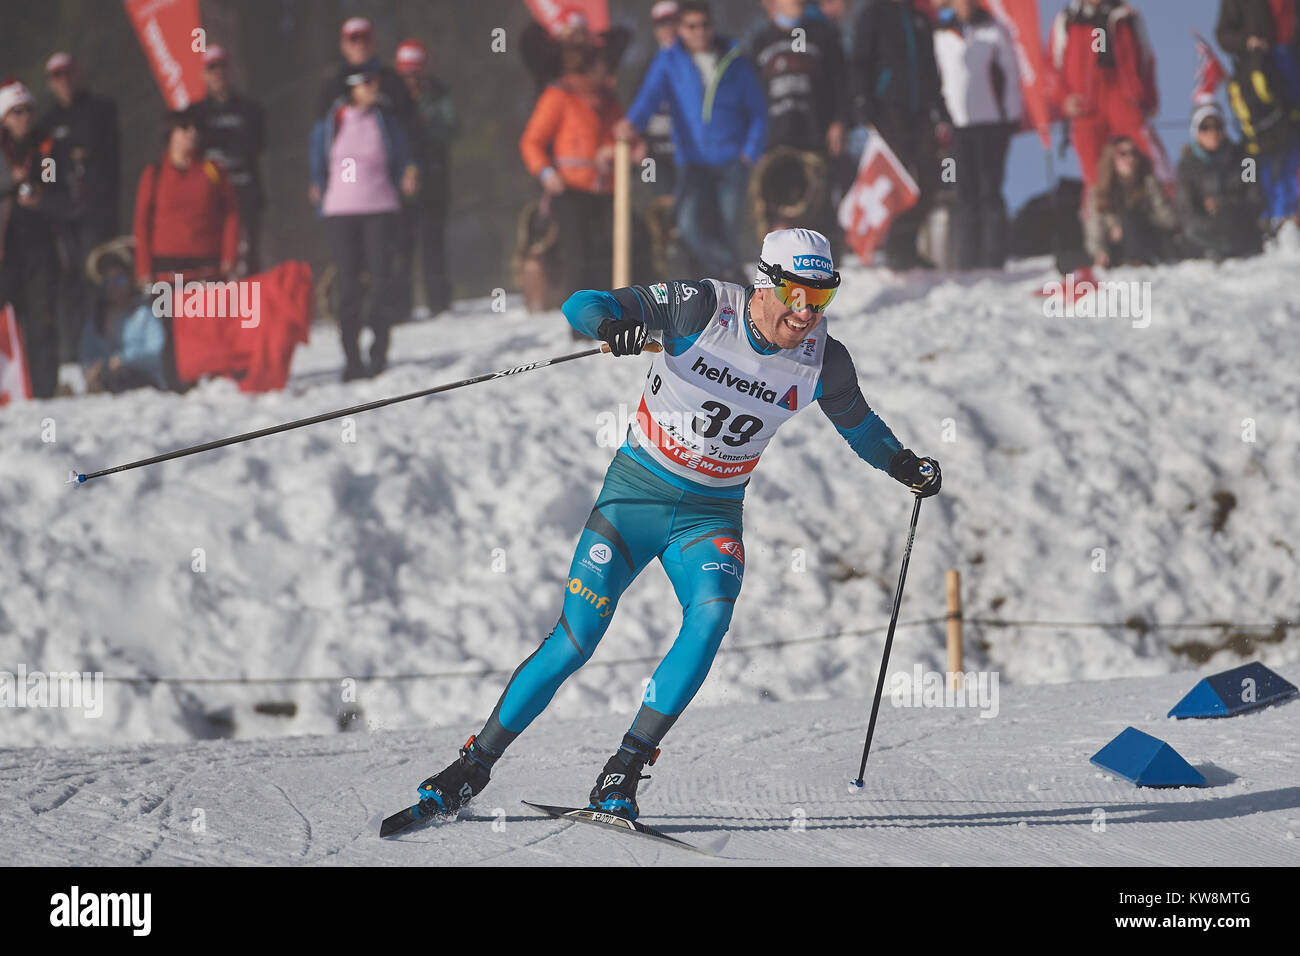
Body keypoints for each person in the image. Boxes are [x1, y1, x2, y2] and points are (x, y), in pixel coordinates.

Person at [406, 228, 942, 822]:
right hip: (635, 496)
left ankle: (623, 770)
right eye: (794, 292)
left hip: (710, 515)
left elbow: (860, 426)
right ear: (765, 280)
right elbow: (583, 303)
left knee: (711, 615)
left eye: (821, 298)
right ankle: (471, 767)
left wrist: (903, 464)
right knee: (576, 640)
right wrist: (612, 325)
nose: (804, 311)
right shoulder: (703, 306)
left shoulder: (826, 361)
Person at [618, 1, 768, 284]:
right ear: (680, 29)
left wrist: (751, 150)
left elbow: (758, 110)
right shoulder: (669, 61)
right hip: (691, 161)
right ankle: (736, 275)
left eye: (705, 25)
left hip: (732, 160)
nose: (699, 32)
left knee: (726, 229)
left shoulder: (734, 59)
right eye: (691, 26)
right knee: (688, 224)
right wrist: (631, 125)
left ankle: (724, 294)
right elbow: (649, 98)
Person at [310, 61, 417, 381]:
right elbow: (318, 157)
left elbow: (402, 154)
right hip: (341, 211)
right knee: (347, 287)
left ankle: (379, 351)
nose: (374, 88)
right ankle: (351, 358)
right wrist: (316, 182)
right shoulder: (333, 120)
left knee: (382, 282)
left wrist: (409, 171)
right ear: (352, 87)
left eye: (376, 82)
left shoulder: (385, 120)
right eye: (367, 82)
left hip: (380, 207)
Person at [850, 0, 953, 269]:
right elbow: (860, 61)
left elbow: (931, 68)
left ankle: (908, 244)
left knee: (927, 177)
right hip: (888, 110)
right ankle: (893, 248)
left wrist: (941, 110)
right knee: (898, 179)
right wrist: (864, 104)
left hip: (920, 111)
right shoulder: (873, 14)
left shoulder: (919, 18)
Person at [34, 52, 120, 365]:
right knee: (69, 283)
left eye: (67, 74)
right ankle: (73, 351)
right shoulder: (46, 124)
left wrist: (79, 155)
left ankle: (104, 344)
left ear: (77, 74)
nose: (64, 81)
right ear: (50, 83)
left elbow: (108, 156)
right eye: (57, 77)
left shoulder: (100, 110)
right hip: (62, 217)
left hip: (96, 213)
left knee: (98, 279)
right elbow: (46, 169)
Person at [519, 45, 625, 297]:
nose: (607, 71)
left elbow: (622, 135)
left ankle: (614, 311)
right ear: (585, 69)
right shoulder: (559, 96)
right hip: (569, 191)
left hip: (608, 189)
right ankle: (580, 324)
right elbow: (531, 141)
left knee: (612, 249)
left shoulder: (610, 100)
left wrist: (614, 150)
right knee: (577, 253)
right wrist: (546, 172)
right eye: (601, 66)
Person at [1049, 0, 1172, 195]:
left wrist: (1148, 98)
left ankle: (1168, 205)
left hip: (1122, 96)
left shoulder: (1128, 17)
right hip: (1086, 104)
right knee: (1093, 171)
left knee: (1148, 155)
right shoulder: (1067, 20)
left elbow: (1147, 59)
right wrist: (1064, 99)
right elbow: (1052, 66)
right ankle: (1101, 219)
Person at [933, 0, 1022, 269]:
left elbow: (1011, 74)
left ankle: (993, 259)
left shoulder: (994, 29)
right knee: (962, 192)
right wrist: (939, 119)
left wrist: (1011, 115)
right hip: (955, 127)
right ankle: (965, 260)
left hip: (991, 124)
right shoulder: (940, 32)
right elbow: (936, 78)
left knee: (989, 191)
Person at [1216, 0, 1300, 231]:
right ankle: (1265, 215)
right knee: (1256, 150)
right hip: (1258, 73)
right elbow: (1223, 35)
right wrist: (1247, 41)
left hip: (1291, 66)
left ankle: (1290, 214)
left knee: (1293, 144)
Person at [133, 108, 240, 287]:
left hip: (208, 267)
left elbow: (231, 213)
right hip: (167, 270)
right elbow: (142, 221)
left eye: (195, 128)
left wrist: (230, 255)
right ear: (171, 135)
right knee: (169, 314)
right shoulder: (154, 174)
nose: (192, 133)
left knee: (211, 315)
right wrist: (143, 268)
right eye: (184, 128)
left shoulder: (212, 170)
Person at [0, 80, 60, 398]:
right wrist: (11, 181)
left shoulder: (45, 148)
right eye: (16, 112)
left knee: (41, 321)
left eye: (28, 111)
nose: (24, 118)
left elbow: (57, 187)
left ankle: (44, 391)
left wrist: (41, 195)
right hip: (6, 251)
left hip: (40, 249)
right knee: (5, 322)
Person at [394, 39, 459, 318]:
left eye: (415, 73)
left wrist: (425, 127)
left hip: (433, 178)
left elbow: (452, 129)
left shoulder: (440, 94)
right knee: (400, 245)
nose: (411, 80)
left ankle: (439, 302)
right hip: (399, 183)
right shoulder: (391, 97)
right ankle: (401, 305)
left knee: (433, 242)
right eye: (406, 74)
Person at [191, 45, 267, 274]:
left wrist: (222, 141)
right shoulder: (195, 114)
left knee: (247, 253)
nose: (218, 73)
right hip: (211, 198)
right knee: (213, 254)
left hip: (244, 192)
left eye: (221, 67)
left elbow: (257, 144)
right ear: (203, 74)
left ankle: (252, 306)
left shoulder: (250, 109)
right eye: (211, 68)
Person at [1176, 100, 1264, 261]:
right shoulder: (1185, 167)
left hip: (1240, 226)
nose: (1212, 132)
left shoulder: (1246, 159)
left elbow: (1255, 198)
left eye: (1218, 126)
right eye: (1205, 127)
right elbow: (1186, 209)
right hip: (1205, 234)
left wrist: (1224, 204)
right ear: (1196, 132)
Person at [78, 238, 167, 393]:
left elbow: (156, 351)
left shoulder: (144, 313)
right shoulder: (97, 321)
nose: (113, 287)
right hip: (108, 380)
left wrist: (125, 360)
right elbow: (86, 356)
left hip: (143, 381)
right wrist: (95, 367)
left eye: (119, 280)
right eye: (107, 281)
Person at [1085, 136, 1179, 267]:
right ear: (1112, 159)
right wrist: (1099, 251)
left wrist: (1141, 220)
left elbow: (1169, 219)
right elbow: (1094, 228)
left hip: (1150, 240)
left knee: (1131, 217)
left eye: (1134, 153)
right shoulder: (1099, 192)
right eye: (1123, 154)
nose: (1130, 158)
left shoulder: (1149, 183)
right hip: (1118, 247)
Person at [319, 17, 412, 124]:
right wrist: (354, 101)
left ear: (374, 43)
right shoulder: (334, 80)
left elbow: (406, 113)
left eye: (365, 39)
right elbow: (322, 114)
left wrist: (379, 102)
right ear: (343, 45)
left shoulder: (390, 78)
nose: (360, 45)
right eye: (354, 39)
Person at [642, 1, 682, 197]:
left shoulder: (698, 63)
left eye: (673, 21)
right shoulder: (647, 68)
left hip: (688, 156)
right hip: (654, 157)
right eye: (662, 24)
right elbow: (636, 111)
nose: (669, 29)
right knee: (658, 206)